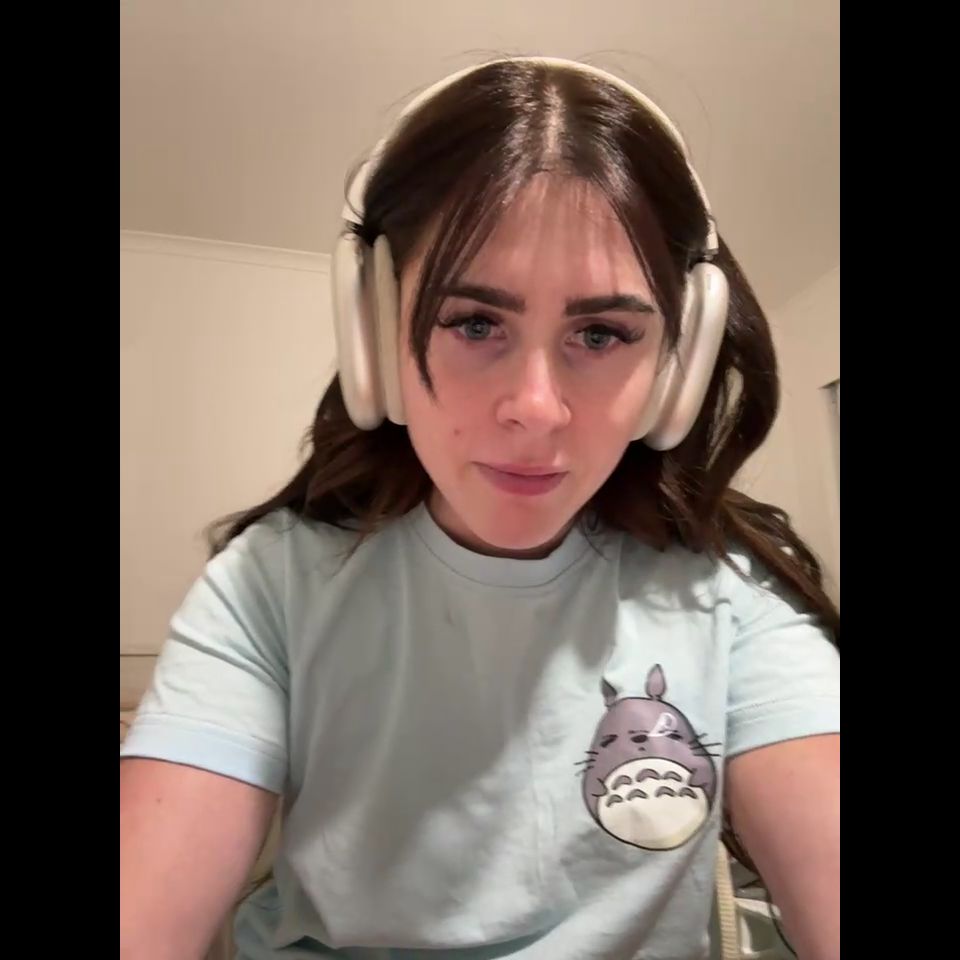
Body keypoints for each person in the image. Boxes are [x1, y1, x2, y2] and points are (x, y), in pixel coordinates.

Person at [120, 57, 840, 960]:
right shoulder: (269, 586)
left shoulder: (730, 598)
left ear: (677, 368)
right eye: (474, 323)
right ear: (375, 336)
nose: (536, 408)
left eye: (602, 333)